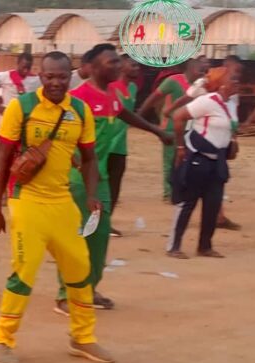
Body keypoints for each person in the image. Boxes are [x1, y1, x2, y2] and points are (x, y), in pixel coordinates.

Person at [0, 51, 114, 363]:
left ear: (69, 76)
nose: (56, 82)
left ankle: (82, 338)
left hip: (63, 203)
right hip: (26, 200)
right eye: (49, 76)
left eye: (61, 76)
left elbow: (89, 158)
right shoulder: (22, 107)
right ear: (40, 77)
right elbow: (2, 158)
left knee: (80, 269)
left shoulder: (80, 111)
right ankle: (3, 340)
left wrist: (91, 193)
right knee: (24, 271)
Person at [54, 44, 172, 316]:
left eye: (118, 62)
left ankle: (88, 288)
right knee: (77, 239)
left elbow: (124, 114)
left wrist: (157, 132)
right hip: (78, 180)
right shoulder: (76, 98)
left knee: (99, 239)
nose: (118, 66)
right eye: (112, 62)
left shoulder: (113, 95)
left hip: (101, 179)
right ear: (93, 67)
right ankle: (65, 294)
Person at [161, 55, 243, 231]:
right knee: (190, 177)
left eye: (238, 73)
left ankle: (217, 216)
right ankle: (177, 198)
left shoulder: (232, 94)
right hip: (197, 133)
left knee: (216, 180)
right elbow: (185, 99)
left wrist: (233, 139)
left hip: (219, 140)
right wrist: (170, 110)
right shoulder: (205, 84)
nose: (237, 77)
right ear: (226, 67)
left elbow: (232, 119)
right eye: (235, 72)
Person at [138, 56, 209, 201]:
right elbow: (154, 97)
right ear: (192, 69)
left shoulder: (200, 86)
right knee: (170, 160)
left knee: (185, 159)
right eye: (201, 70)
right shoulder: (173, 81)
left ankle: (181, 189)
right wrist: (139, 117)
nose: (203, 74)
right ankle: (168, 192)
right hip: (170, 127)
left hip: (190, 128)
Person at [106, 54, 140, 237]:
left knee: (115, 187)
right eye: (132, 65)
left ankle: (106, 222)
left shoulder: (133, 88)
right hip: (106, 144)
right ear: (122, 66)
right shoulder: (110, 88)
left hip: (120, 146)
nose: (136, 68)